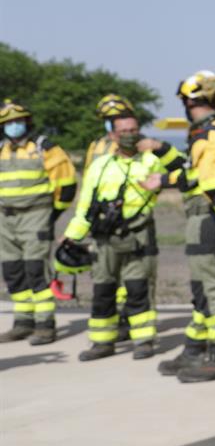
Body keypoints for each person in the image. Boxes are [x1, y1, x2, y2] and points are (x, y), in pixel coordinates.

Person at [55, 108, 168, 360]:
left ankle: (143, 341)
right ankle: (102, 342)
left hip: (138, 235)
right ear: (113, 136)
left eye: (133, 130)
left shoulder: (151, 160)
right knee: (103, 290)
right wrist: (72, 234)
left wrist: (160, 149)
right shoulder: (100, 165)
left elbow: (179, 166)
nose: (129, 135)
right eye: (124, 131)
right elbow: (85, 205)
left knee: (139, 289)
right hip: (105, 237)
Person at [158, 72, 215, 382]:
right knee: (203, 288)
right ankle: (195, 349)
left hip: (210, 219)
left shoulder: (209, 134)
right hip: (207, 218)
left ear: (191, 101)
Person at [84, 94, 186, 340]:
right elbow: (89, 185)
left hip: (137, 226)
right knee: (107, 284)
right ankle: (116, 327)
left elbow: (182, 169)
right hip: (105, 226)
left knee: (139, 283)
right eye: (109, 121)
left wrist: (159, 148)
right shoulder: (97, 148)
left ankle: (137, 329)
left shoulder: (148, 149)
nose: (118, 127)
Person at [0, 99, 77, 345]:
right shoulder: (1, 148)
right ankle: (23, 322)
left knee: (36, 270)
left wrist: (50, 216)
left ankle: (45, 325)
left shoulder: (45, 147)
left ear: (27, 121)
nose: (14, 126)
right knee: (13, 271)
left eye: (18, 121)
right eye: (8, 122)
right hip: (5, 218)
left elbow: (66, 186)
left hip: (36, 215)